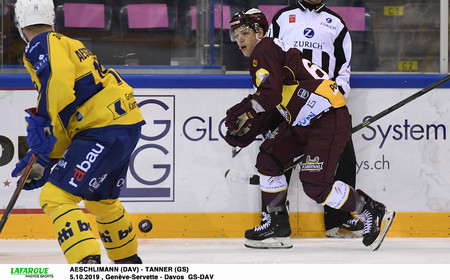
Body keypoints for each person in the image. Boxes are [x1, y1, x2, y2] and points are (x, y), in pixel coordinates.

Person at [224, 8, 395, 249]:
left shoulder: (264, 50)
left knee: (316, 185)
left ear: (259, 32)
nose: (239, 40)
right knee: (269, 158)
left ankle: (370, 209)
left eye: (244, 33)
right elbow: (277, 101)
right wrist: (255, 125)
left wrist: (245, 111)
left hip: (326, 117)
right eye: (235, 35)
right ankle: (277, 223)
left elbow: (270, 94)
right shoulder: (269, 51)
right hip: (304, 120)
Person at [12, 0, 145, 264]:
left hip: (102, 128)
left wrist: (42, 121)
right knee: (101, 202)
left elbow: (58, 86)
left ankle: (87, 265)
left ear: (18, 23)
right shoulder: (69, 43)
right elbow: (67, 112)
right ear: (53, 18)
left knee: (55, 196)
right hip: (123, 123)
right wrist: (46, 157)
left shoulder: (40, 44)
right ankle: (128, 263)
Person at [264, 0, 362, 238]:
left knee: (344, 160)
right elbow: (267, 58)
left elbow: (343, 70)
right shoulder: (282, 18)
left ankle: (339, 219)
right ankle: (274, 219)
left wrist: (332, 98)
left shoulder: (336, 23)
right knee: (276, 159)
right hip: (288, 104)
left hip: (323, 107)